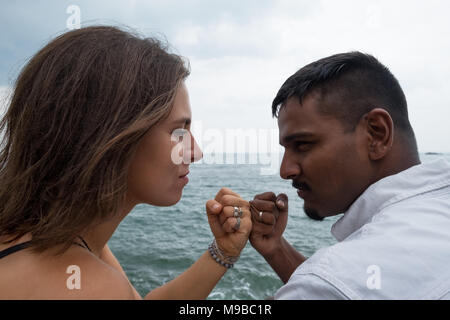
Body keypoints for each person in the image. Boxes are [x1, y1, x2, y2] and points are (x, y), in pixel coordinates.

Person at [0, 26, 251, 299]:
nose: (196, 152)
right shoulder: (91, 286)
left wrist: (223, 252)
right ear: (109, 135)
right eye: (179, 132)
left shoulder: (58, 237)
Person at [248, 52, 450, 299]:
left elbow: (335, 288)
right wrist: (277, 249)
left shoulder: (330, 284)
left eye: (302, 144)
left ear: (376, 134)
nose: (285, 170)